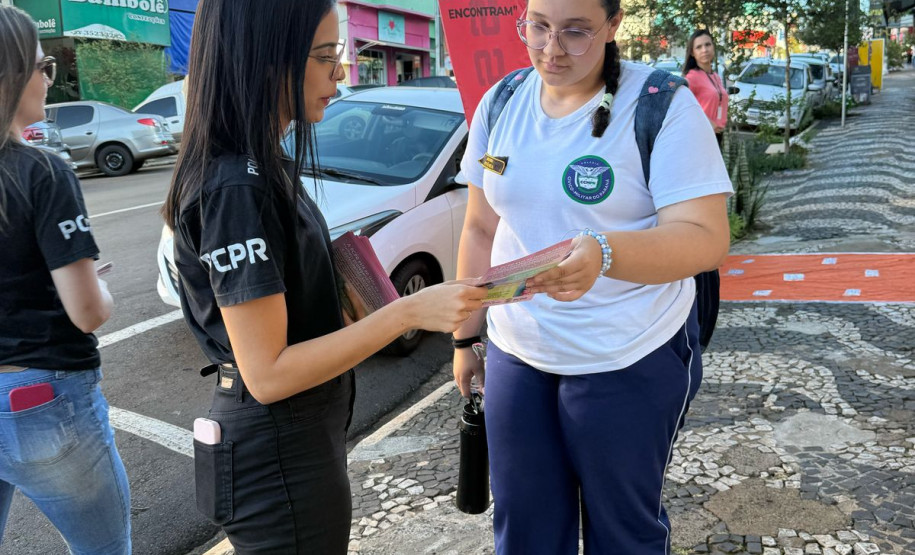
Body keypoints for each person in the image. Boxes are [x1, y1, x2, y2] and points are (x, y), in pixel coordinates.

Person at [161, 1, 486, 553]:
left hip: (299, 438)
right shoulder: (237, 187)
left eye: (339, 54)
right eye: (323, 56)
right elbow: (268, 373)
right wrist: (405, 313)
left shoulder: (261, 163)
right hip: (277, 451)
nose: (340, 73)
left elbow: (296, 321)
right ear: (264, 60)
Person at [451, 0, 733, 553]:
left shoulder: (660, 105)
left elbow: (705, 238)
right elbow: (480, 228)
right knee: (524, 528)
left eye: (576, 32)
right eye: (538, 27)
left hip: (628, 354)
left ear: (613, 25)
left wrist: (605, 254)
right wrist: (465, 337)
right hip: (518, 353)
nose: (552, 49)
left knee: (624, 532)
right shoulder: (502, 101)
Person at [0, 6, 131, 554]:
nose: (48, 78)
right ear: (7, 77)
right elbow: (88, 312)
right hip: (41, 397)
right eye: (41, 65)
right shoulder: (42, 171)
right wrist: (97, 284)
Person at [683, 29, 729, 146]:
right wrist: (708, 122)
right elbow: (683, 107)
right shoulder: (692, 77)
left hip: (717, 136)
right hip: (700, 136)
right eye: (699, 47)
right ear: (692, 52)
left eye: (707, 45)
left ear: (713, 47)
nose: (704, 50)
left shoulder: (715, 76)